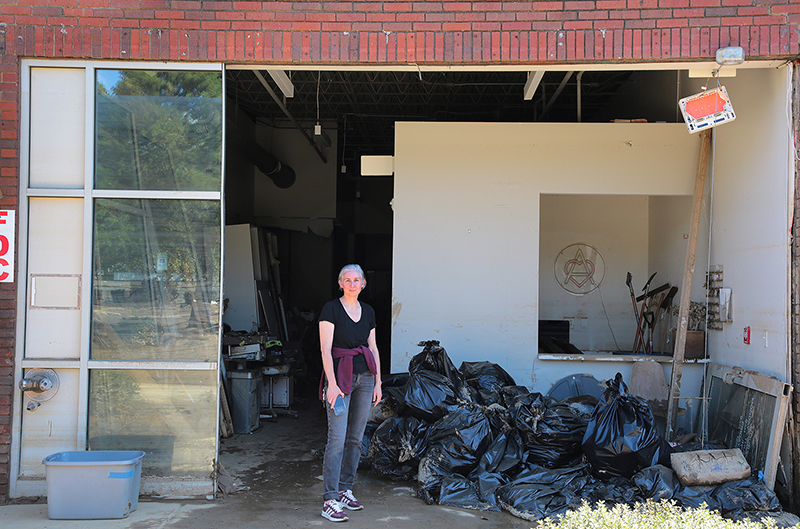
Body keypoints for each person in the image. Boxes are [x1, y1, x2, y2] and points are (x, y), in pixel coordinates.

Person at [318, 264, 382, 522]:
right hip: (340, 379)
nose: (353, 284)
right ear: (340, 283)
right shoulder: (331, 309)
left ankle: (345, 488)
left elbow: (373, 348)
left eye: (357, 280)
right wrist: (331, 384)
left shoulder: (368, 311)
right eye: (348, 280)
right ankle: (329, 499)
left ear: (364, 283)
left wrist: (378, 382)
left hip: (365, 378)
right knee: (337, 439)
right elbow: (325, 349)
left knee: (355, 438)